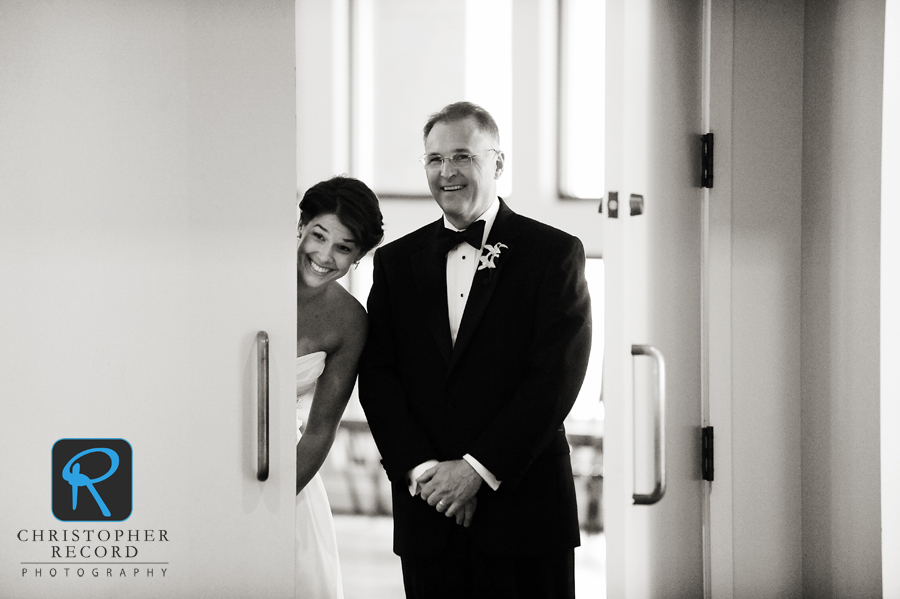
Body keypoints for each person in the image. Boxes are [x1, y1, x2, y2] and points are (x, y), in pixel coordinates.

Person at [358, 101, 592, 599]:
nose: (447, 172)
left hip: (524, 513)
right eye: (435, 160)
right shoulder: (397, 263)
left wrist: (476, 471)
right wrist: (426, 474)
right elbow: (378, 377)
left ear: (498, 164)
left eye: (462, 156)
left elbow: (555, 378)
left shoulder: (552, 253)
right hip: (429, 515)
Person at [294, 175, 383, 599]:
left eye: (343, 247)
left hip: (285, 469)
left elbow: (319, 430)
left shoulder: (350, 321)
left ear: (358, 257)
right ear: (301, 227)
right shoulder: (247, 280)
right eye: (318, 235)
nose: (324, 256)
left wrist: (271, 500)